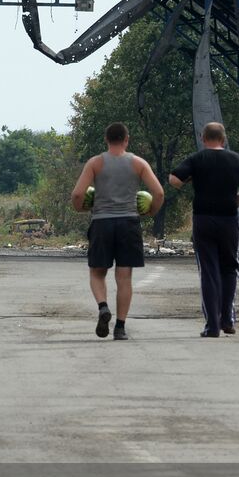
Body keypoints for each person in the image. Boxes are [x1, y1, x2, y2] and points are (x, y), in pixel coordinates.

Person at [71, 122, 164, 341]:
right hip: (128, 223)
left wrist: (80, 208)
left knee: (97, 272)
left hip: (102, 223)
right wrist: (151, 211)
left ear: (106, 139)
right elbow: (159, 193)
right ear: (126, 140)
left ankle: (103, 307)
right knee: (124, 277)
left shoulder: (95, 163)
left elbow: (77, 194)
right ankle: (120, 328)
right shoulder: (138, 163)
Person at [169, 122, 239, 338]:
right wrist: (234, 203)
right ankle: (227, 319)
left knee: (209, 271)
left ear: (203, 138)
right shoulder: (235, 159)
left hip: (203, 219)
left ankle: (212, 326)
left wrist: (190, 180)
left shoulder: (197, 159)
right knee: (230, 268)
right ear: (223, 139)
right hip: (228, 220)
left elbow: (174, 179)